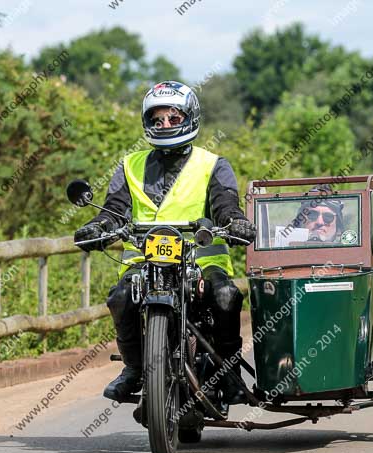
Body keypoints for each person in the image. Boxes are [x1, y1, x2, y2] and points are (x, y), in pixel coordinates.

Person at [73, 81, 256, 405]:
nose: (165, 125)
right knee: (120, 298)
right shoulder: (130, 165)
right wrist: (96, 226)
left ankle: (228, 372)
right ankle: (134, 369)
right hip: (144, 262)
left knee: (226, 296)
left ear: (190, 117)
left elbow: (225, 202)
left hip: (201, 259)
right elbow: (114, 208)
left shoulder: (213, 164)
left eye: (173, 118)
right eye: (157, 120)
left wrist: (235, 222)